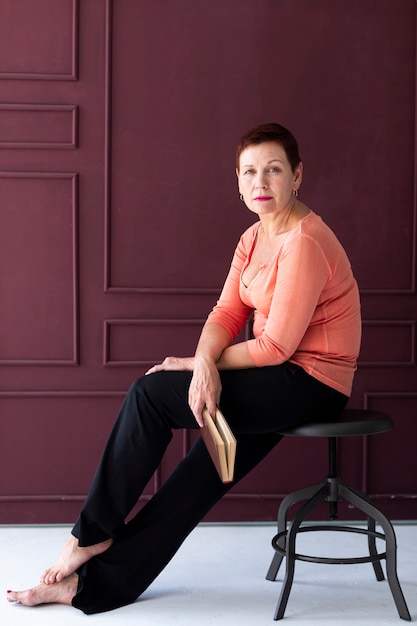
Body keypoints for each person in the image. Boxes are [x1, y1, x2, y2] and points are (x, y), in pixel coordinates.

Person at [6, 122, 361, 613]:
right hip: (272, 376)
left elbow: (278, 346)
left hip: (312, 381)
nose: (262, 182)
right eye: (250, 171)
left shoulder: (305, 242)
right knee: (205, 472)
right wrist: (206, 361)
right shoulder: (254, 237)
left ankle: (90, 534)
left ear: (297, 176)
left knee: (150, 396)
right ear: (237, 181)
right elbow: (227, 314)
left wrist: (202, 363)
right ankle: (93, 587)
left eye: (274, 170)